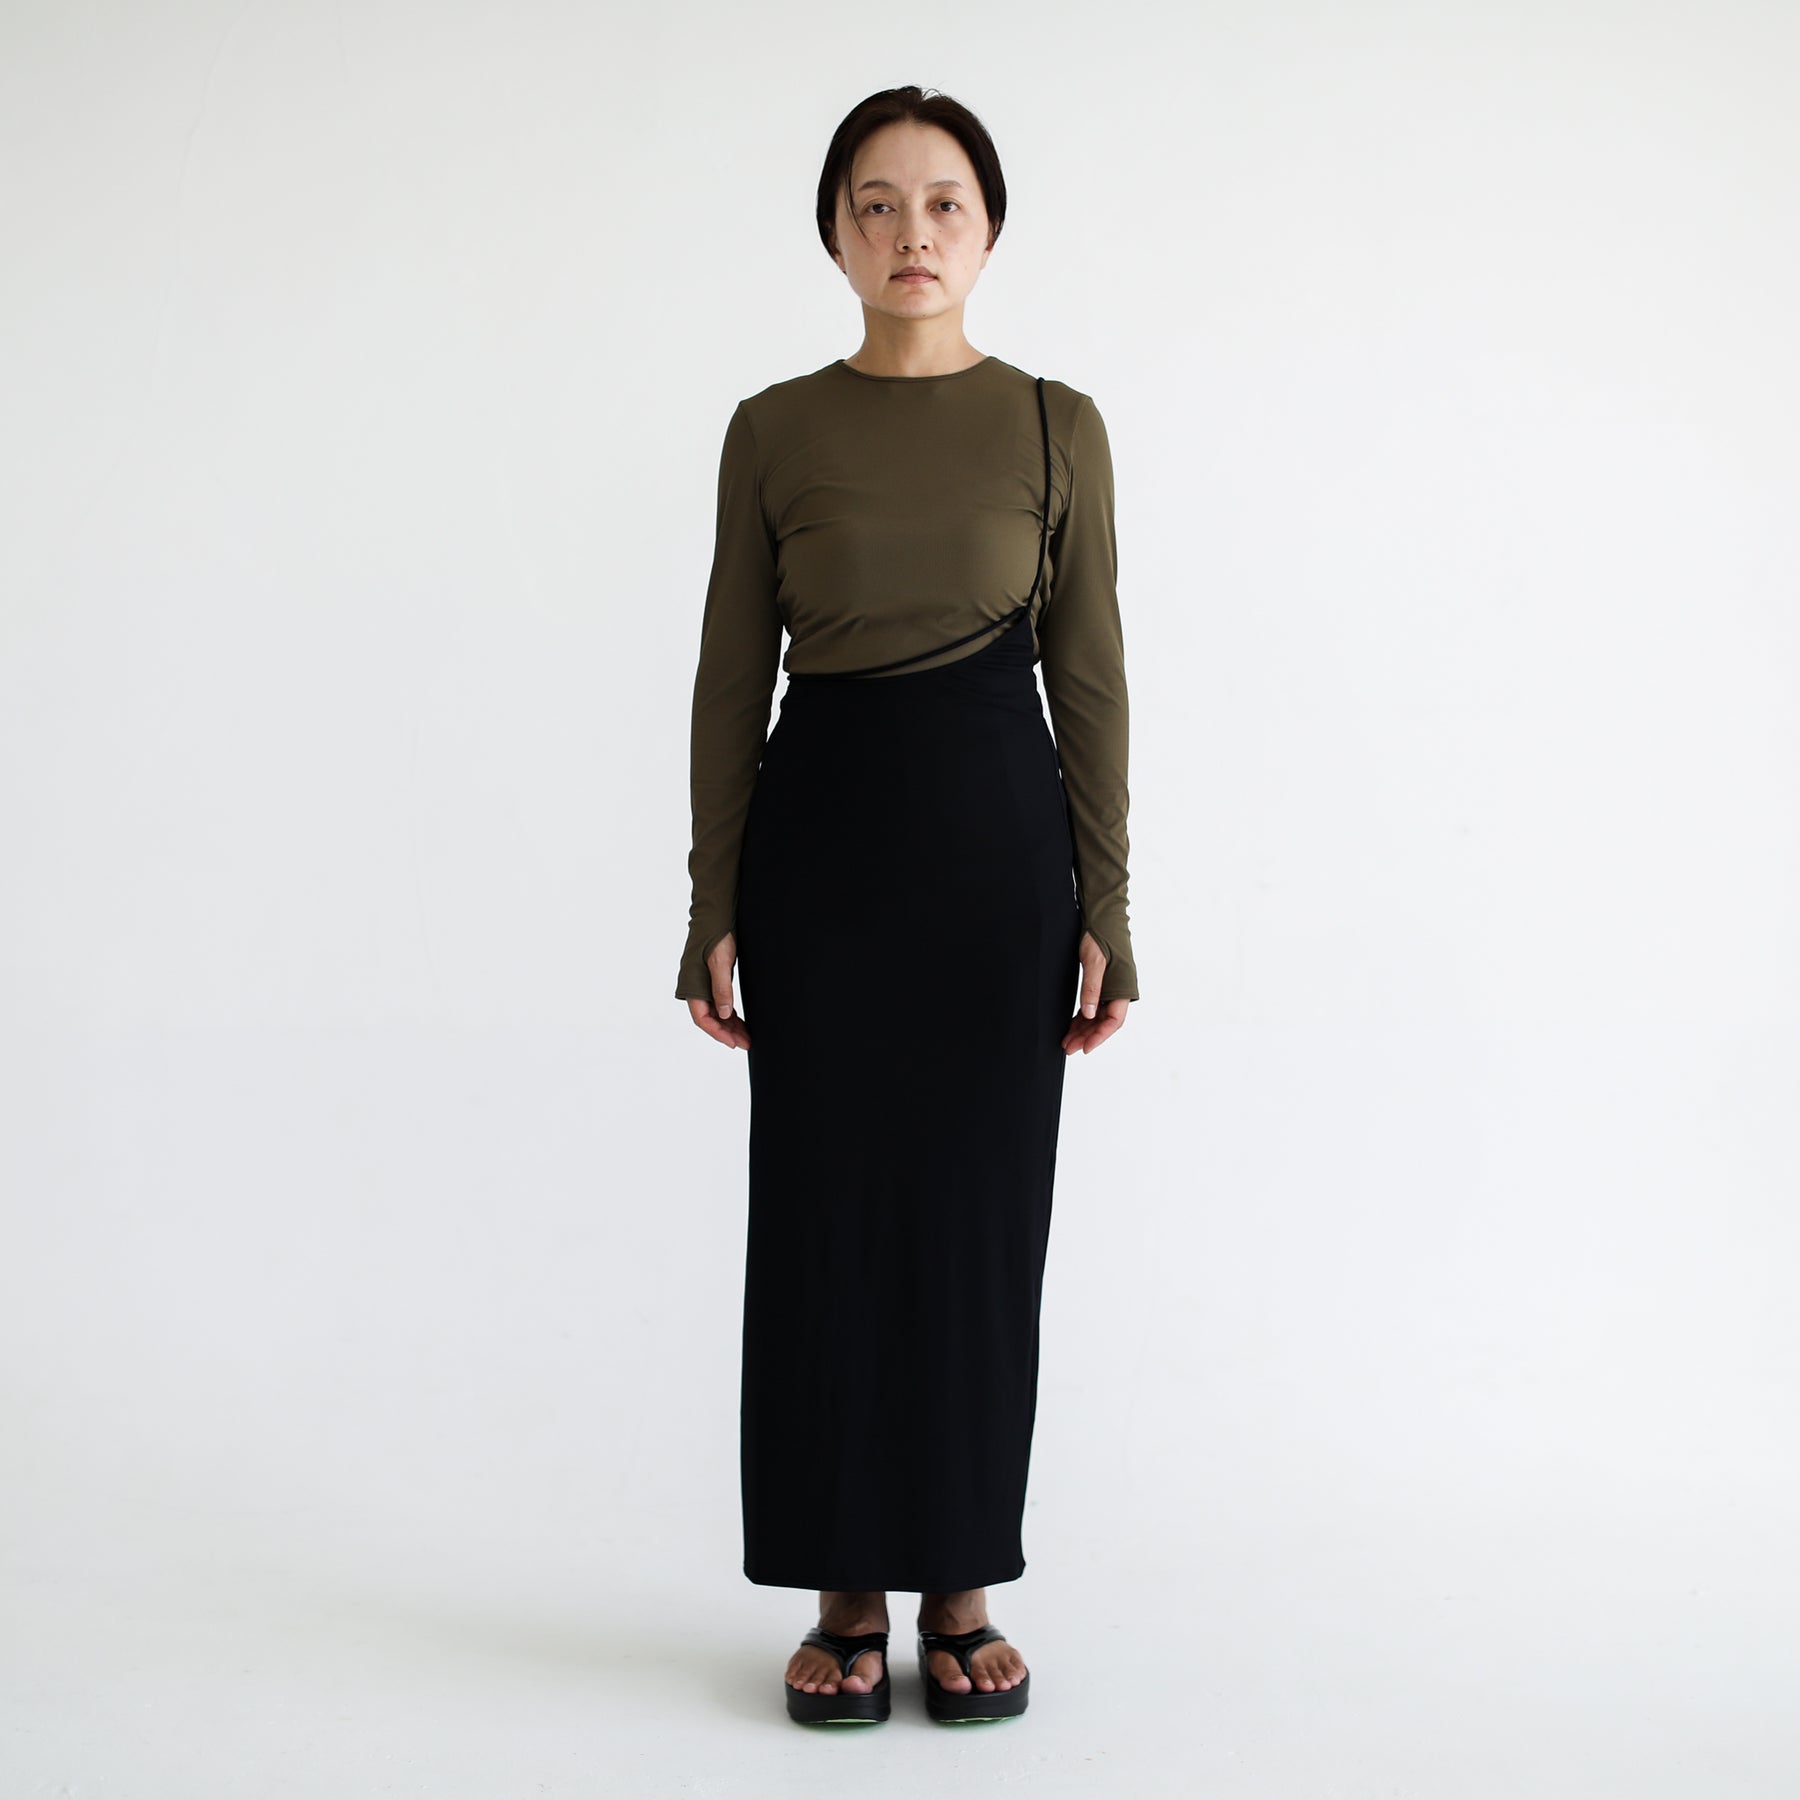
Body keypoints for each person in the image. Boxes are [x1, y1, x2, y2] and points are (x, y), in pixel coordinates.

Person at [675, 84, 1139, 1726]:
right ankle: (844, 1593)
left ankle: (959, 1585)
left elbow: (1092, 676)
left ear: (989, 229)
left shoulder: (1055, 425)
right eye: (876, 203)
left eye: (944, 203)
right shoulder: (774, 429)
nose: (912, 233)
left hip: (998, 864)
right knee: (824, 1221)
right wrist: (711, 898)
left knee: (979, 1226)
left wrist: (1111, 902)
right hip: (825, 855)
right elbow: (732, 677)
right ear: (834, 233)